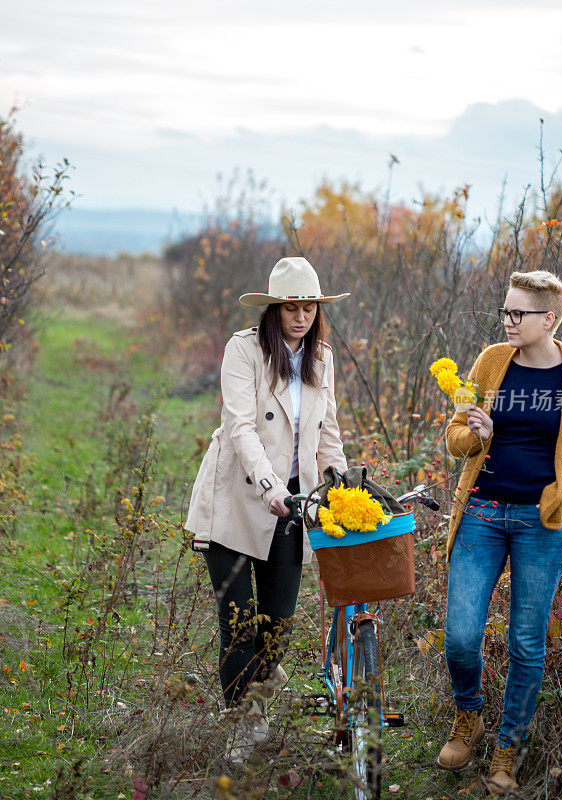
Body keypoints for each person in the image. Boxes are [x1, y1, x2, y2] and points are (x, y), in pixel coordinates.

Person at [437, 270, 562, 794]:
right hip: (483, 513)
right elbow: (453, 436)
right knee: (462, 635)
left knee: (525, 642)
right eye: (505, 311)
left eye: (518, 313)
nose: (508, 321)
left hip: (543, 523)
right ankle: (468, 715)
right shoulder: (491, 362)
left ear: (550, 319)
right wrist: (476, 436)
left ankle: (508, 747)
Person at [185, 256, 348, 761]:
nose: (301, 317)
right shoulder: (244, 351)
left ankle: (261, 669)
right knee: (238, 624)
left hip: (291, 506)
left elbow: (327, 433)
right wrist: (269, 484)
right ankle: (243, 724)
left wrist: (339, 488)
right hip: (237, 497)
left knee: (277, 623)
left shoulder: (321, 357)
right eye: (291, 307)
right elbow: (241, 428)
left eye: (309, 308)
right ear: (274, 310)